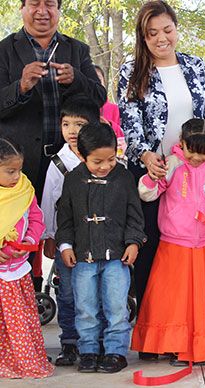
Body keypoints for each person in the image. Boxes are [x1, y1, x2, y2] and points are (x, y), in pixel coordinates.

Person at [118, 1, 205, 352]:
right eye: (152, 33)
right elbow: (129, 118)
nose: (161, 38)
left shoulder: (195, 66)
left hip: (197, 169)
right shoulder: (133, 69)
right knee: (151, 248)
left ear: (176, 28)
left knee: (192, 255)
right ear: (143, 36)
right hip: (154, 170)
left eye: (167, 30)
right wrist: (145, 155)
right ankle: (157, 335)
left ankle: (192, 329)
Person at [133, 118, 205, 365]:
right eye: (192, 151)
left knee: (203, 299)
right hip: (174, 243)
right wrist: (151, 176)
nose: (197, 158)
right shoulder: (172, 165)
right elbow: (147, 193)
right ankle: (172, 345)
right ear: (181, 144)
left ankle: (202, 345)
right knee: (172, 299)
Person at [56, 122, 146, 373]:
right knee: (85, 306)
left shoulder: (124, 177)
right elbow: (64, 217)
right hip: (83, 258)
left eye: (110, 159)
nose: (105, 166)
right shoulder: (73, 179)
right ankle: (88, 350)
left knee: (116, 305)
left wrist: (134, 242)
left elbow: (134, 216)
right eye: (97, 161)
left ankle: (116, 351)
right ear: (82, 156)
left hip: (116, 257)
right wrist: (65, 245)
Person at [0, 0, 106, 198]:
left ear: (58, 10)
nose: (42, 11)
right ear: (22, 8)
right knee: (23, 225)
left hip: (70, 159)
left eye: (49, 4)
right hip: (19, 164)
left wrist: (77, 79)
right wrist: (21, 87)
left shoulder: (77, 50)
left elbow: (99, 98)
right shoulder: (4, 50)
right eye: (34, 4)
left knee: (66, 223)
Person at [41, 96, 98, 366]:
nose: (72, 131)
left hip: (98, 241)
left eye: (79, 124)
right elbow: (47, 201)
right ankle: (70, 343)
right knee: (66, 293)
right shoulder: (58, 162)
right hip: (67, 241)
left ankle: (94, 342)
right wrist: (49, 235)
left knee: (95, 291)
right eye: (66, 124)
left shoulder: (102, 159)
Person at [0, 137, 54, 379]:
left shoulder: (25, 188)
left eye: (19, 170)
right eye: (10, 171)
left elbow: (36, 218)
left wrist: (30, 242)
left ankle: (24, 360)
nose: (16, 176)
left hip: (18, 268)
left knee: (20, 321)